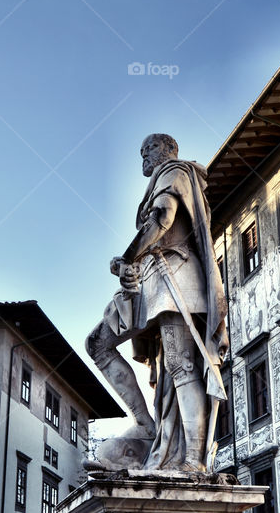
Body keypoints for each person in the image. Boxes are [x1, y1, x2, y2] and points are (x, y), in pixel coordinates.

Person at [86, 133, 228, 471]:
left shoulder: (175, 172)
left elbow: (163, 217)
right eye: (141, 151)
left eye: (148, 149)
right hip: (149, 282)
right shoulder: (164, 178)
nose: (143, 157)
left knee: (180, 365)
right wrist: (131, 262)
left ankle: (193, 460)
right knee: (98, 344)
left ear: (167, 149)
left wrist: (128, 257)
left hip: (174, 277)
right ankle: (145, 425)